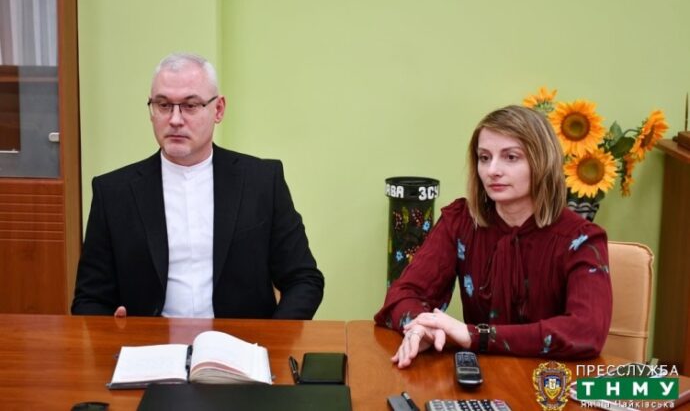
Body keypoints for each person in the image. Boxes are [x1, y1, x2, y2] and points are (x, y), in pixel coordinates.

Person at [72, 52, 324, 319]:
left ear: (218, 109)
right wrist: (111, 330)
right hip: (148, 341)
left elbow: (304, 280)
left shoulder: (261, 181)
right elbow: (89, 299)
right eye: (163, 105)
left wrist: (271, 336)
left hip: (240, 341)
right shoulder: (114, 193)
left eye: (190, 106)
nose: (175, 119)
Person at [374, 105, 612, 367]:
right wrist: (422, 327)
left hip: (551, 382)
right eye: (484, 157)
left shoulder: (581, 239)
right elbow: (402, 294)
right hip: (480, 377)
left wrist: (476, 336)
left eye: (511, 157)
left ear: (542, 161)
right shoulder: (461, 221)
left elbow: (587, 331)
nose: (492, 170)